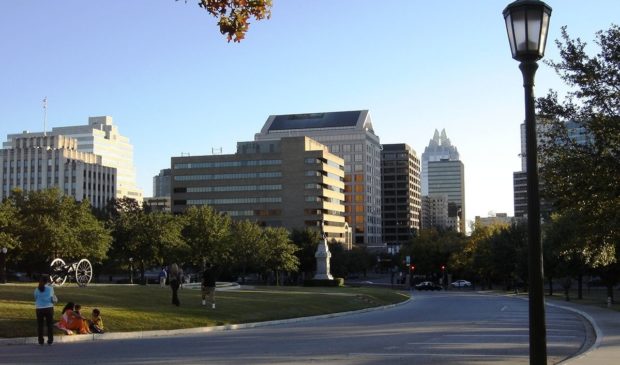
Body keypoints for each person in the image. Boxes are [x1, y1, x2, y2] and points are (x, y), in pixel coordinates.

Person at [34, 274, 55, 346]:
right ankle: (50, 340)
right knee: (49, 325)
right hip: (49, 308)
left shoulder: (37, 289)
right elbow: (52, 298)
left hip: (39, 308)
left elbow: (35, 297)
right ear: (48, 281)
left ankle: (40, 341)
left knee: (40, 325)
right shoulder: (50, 288)